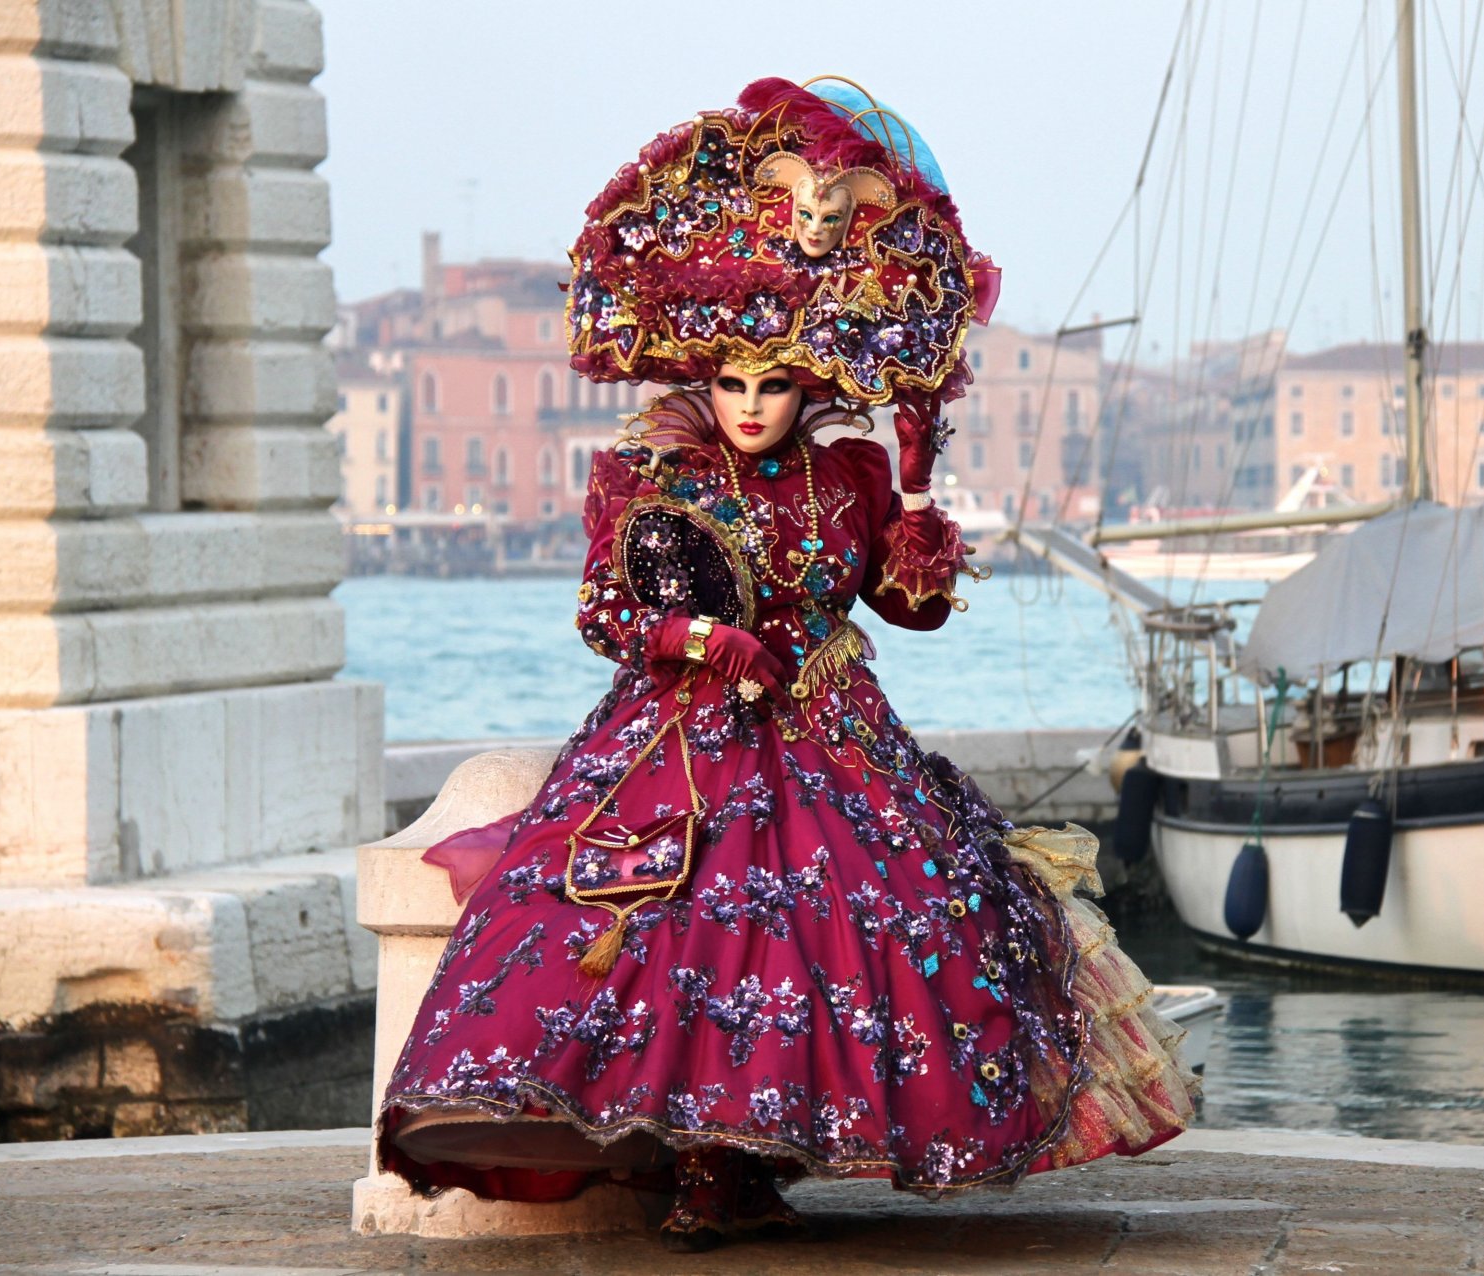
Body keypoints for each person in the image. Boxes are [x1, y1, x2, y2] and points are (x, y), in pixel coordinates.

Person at [376, 76, 1196, 1253]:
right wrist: (704, 638)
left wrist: (914, 484)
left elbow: (911, 610)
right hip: (681, 735)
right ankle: (703, 1161)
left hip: (831, 728)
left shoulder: (848, 478)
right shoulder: (648, 476)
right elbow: (607, 610)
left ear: (809, 383)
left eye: (776, 384)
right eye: (732, 380)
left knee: (879, 919)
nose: (753, 405)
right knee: (693, 922)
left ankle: (759, 1158)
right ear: (700, 373)